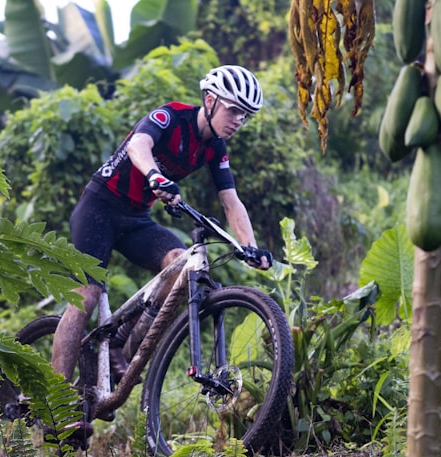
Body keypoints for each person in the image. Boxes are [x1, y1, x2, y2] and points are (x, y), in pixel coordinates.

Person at [50, 65, 274, 434]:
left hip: (137, 217)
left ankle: (123, 350)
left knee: (181, 265)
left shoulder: (216, 148)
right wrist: (155, 176)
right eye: (234, 110)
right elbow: (139, 144)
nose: (238, 120)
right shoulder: (170, 116)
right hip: (99, 207)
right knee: (86, 295)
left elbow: (231, 201)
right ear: (210, 100)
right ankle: (57, 404)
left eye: (245, 116)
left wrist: (249, 248)